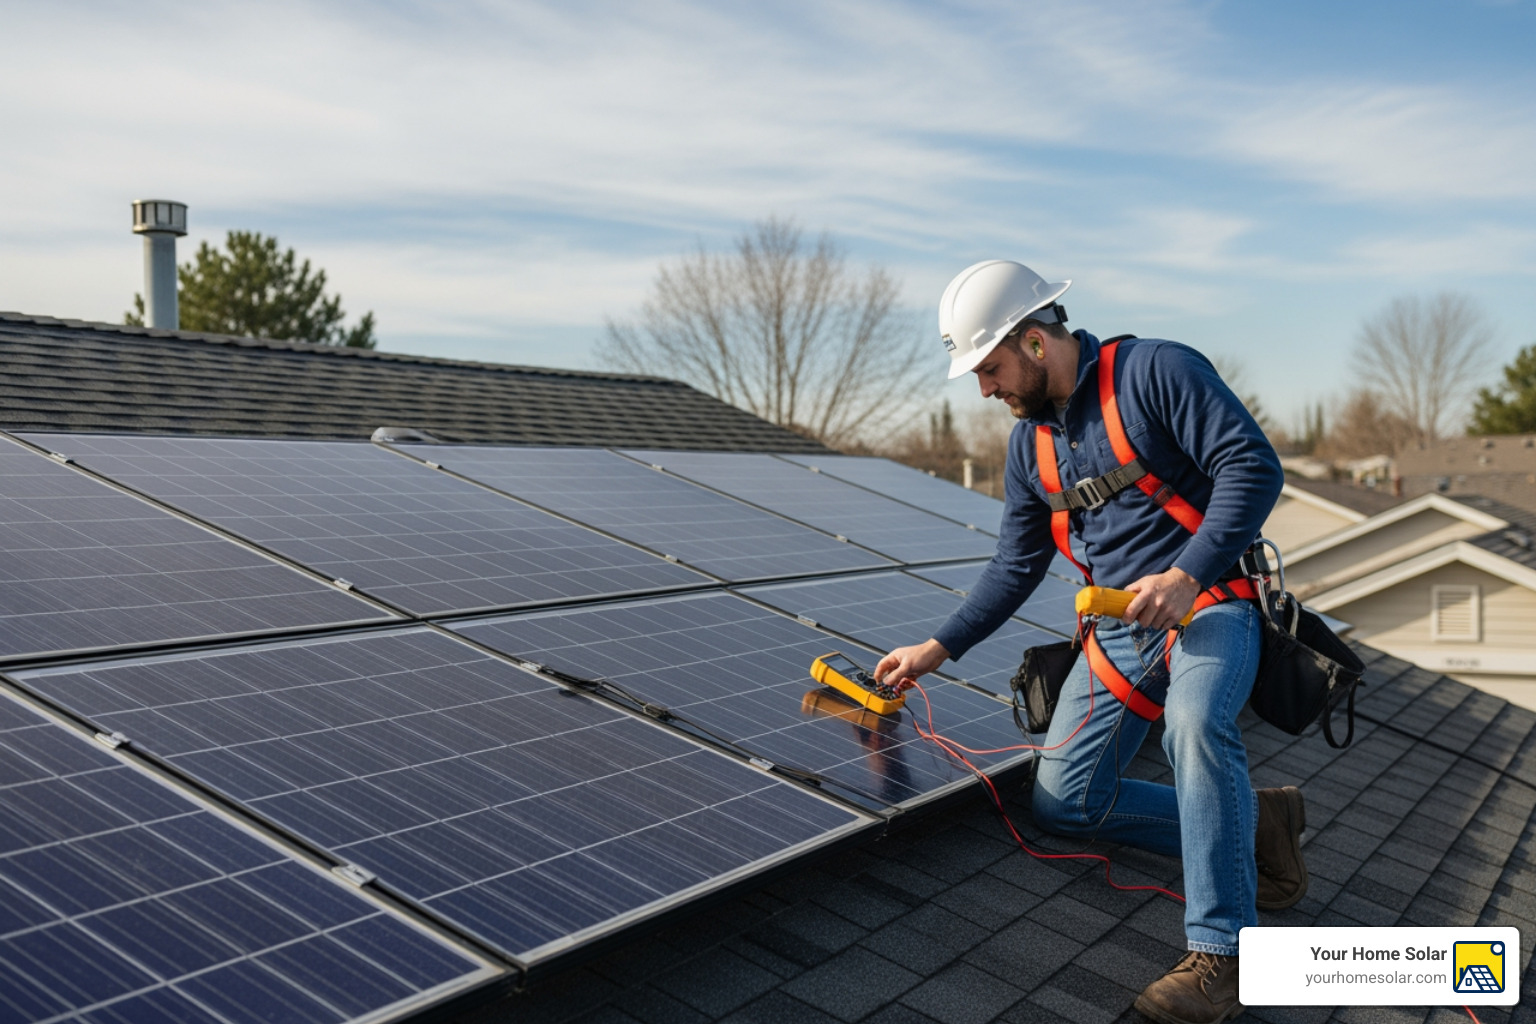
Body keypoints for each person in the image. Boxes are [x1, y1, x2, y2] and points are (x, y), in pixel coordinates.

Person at [876, 261, 1306, 1024]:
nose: (985, 388)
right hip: (1118, 630)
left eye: (991, 367)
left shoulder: (1155, 373)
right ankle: (1258, 821)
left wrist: (1184, 575)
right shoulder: (1028, 449)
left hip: (1211, 602)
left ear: (1036, 342)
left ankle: (1222, 955)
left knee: (1195, 727)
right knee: (1063, 802)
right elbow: (1014, 566)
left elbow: (1254, 467)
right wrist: (935, 649)